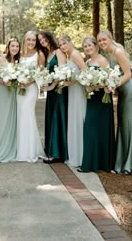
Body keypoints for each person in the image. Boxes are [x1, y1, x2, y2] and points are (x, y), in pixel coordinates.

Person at [97, 30, 132, 175]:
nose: (101, 43)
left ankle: (131, 165)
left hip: (130, 94)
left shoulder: (118, 51)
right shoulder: (108, 54)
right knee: (124, 127)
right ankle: (123, 162)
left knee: (130, 127)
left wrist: (114, 85)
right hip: (122, 95)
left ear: (110, 38)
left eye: (104, 39)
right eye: (99, 41)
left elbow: (129, 74)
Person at [77, 36, 115, 173]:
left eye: (89, 45)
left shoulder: (103, 60)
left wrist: (94, 86)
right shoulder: (87, 62)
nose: (87, 48)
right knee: (90, 128)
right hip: (92, 100)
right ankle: (90, 163)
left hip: (103, 99)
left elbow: (109, 80)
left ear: (96, 46)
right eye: (85, 46)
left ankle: (105, 164)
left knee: (102, 129)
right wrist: (87, 86)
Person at [38, 31, 68, 163]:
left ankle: (57, 153)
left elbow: (62, 72)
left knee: (57, 118)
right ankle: (50, 150)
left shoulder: (58, 52)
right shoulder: (47, 54)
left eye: (44, 38)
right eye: (40, 40)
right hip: (51, 92)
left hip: (59, 90)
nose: (42, 41)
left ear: (49, 38)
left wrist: (52, 86)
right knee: (51, 118)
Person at [16, 31, 45, 162]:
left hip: (31, 89)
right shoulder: (19, 54)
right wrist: (18, 80)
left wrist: (29, 81)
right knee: (20, 115)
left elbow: (41, 72)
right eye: (29, 40)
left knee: (28, 115)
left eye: (33, 40)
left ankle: (30, 150)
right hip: (19, 88)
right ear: (25, 40)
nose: (31, 42)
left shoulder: (39, 54)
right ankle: (19, 148)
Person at [58, 35, 87, 167]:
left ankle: (81, 156)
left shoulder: (75, 54)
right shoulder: (69, 56)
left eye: (64, 43)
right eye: (60, 45)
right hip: (72, 90)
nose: (63, 46)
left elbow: (84, 71)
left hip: (78, 90)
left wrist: (71, 81)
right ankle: (74, 153)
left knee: (78, 118)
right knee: (74, 119)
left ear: (70, 42)